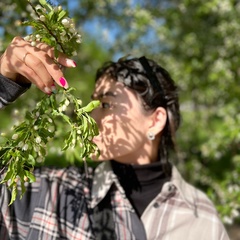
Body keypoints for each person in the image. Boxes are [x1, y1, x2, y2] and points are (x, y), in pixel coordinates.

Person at [0, 37, 229, 240]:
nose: (89, 117)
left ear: (155, 120)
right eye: (94, 104)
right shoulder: (54, 193)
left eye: (106, 105)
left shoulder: (202, 220)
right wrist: (4, 83)